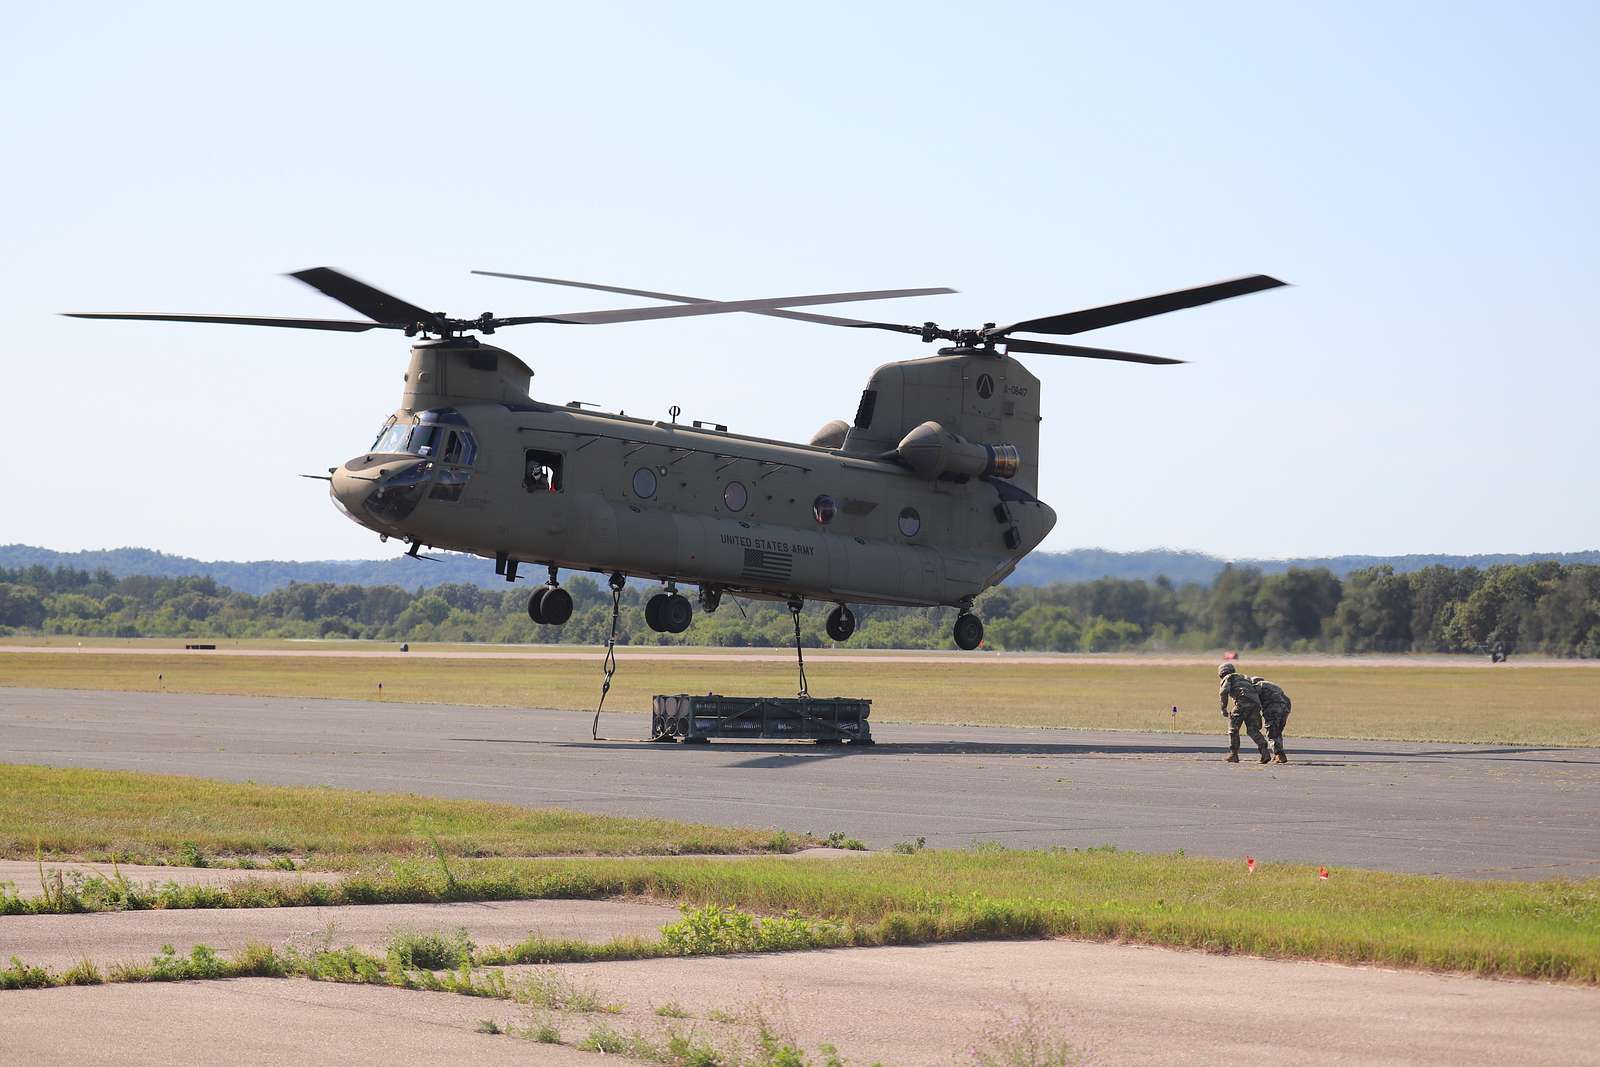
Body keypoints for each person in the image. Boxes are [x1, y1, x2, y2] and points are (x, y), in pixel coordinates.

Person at [1217, 662, 1270, 764]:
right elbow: (1258, 681)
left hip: (1242, 702)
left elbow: (1224, 692)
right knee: (1252, 730)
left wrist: (1223, 708)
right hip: (1255, 704)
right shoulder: (1244, 677)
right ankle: (1264, 752)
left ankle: (1234, 755)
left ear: (1221, 673)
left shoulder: (1228, 678)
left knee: (1233, 729)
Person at [1249, 675, 1291, 764]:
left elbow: (1254, 701)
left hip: (1273, 709)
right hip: (1285, 708)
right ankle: (1277, 754)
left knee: (1271, 732)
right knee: (1277, 732)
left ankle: (1280, 755)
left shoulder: (1258, 686)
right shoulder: (1273, 686)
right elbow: (1287, 699)